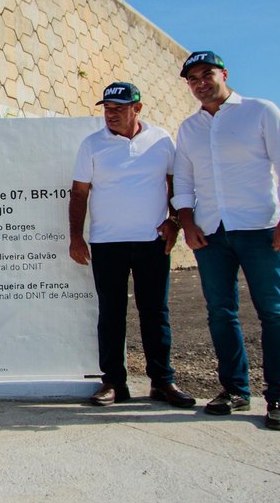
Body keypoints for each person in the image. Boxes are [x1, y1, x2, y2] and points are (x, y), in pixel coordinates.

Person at [172, 51, 280, 431]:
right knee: (220, 313)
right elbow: (183, 180)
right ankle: (234, 389)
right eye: (193, 78)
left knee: (274, 312)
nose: (201, 82)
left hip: (260, 229)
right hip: (211, 233)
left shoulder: (261, 111)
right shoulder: (190, 128)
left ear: (224, 74)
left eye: (207, 74)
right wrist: (187, 221)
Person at [69, 82, 195, 408]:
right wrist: (76, 237)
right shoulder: (92, 144)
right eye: (106, 108)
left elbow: (175, 184)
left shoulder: (162, 140)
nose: (110, 114)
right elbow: (79, 192)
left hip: (152, 241)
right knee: (111, 314)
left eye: (118, 108)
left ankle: (162, 381)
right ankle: (113, 382)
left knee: (155, 312)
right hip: (106, 241)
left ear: (137, 109)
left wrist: (175, 222)